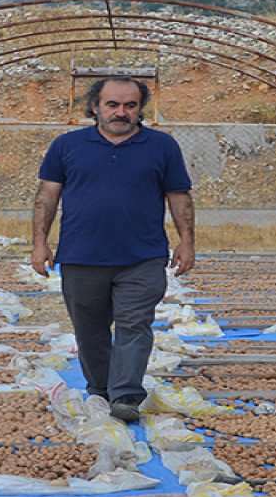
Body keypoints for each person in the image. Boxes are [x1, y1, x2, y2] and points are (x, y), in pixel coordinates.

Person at [31, 76, 196, 423]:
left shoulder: (162, 147)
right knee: (89, 329)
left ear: (140, 109)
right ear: (95, 106)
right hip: (81, 255)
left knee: (134, 325)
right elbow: (47, 196)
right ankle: (101, 390)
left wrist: (187, 241)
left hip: (142, 256)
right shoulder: (67, 146)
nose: (121, 112)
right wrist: (40, 242)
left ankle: (126, 396)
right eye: (113, 105)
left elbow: (179, 196)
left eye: (130, 105)